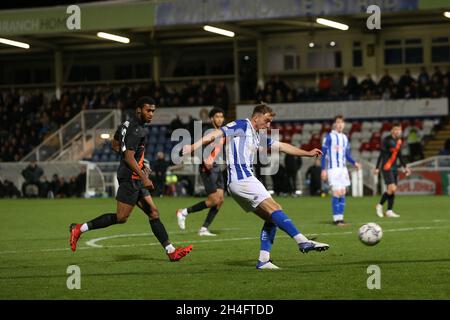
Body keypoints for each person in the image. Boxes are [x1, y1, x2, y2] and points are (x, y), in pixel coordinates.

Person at [183, 103, 329, 270]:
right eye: (266, 121)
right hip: (242, 178)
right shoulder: (242, 125)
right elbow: (216, 133)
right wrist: (193, 147)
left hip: (240, 182)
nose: (268, 125)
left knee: (272, 216)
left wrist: (307, 152)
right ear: (256, 117)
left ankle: (263, 260)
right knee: (274, 209)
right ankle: (302, 241)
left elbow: (281, 146)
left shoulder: (256, 135)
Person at [69, 97, 192, 261]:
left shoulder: (126, 125)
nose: (151, 114)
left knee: (153, 213)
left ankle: (171, 252)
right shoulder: (137, 130)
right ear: (138, 110)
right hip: (131, 178)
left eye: (153, 111)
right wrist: (143, 176)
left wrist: (139, 164)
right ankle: (79, 228)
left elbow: (115, 145)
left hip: (134, 176)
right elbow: (128, 157)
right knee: (121, 218)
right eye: (148, 110)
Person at [177, 107, 226, 236]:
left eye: (221, 116)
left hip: (218, 167)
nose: (220, 119)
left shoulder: (222, 132)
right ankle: (184, 212)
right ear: (211, 119)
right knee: (214, 200)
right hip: (207, 168)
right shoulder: (207, 132)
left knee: (220, 200)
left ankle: (204, 229)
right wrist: (205, 161)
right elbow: (200, 148)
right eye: (217, 117)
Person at [321, 115, 361, 226]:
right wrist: (323, 170)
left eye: (341, 122)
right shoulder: (329, 137)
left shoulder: (344, 138)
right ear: (334, 124)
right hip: (333, 169)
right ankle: (336, 219)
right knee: (336, 193)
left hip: (343, 169)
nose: (340, 124)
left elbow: (347, 155)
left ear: (344, 124)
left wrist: (354, 163)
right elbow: (323, 154)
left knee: (343, 193)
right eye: (338, 122)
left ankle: (341, 218)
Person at [374, 123, 411, 218]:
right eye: (396, 129)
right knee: (392, 188)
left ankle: (389, 211)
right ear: (392, 130)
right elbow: (381, 154)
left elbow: (400, 156)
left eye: (399, 129)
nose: (398, 131)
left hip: (394, 167)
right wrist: (377, 167)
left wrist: (405, 167)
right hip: (387, 167)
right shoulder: (386, 140)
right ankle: (379, 205)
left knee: (392, 190)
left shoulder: (399, 141)